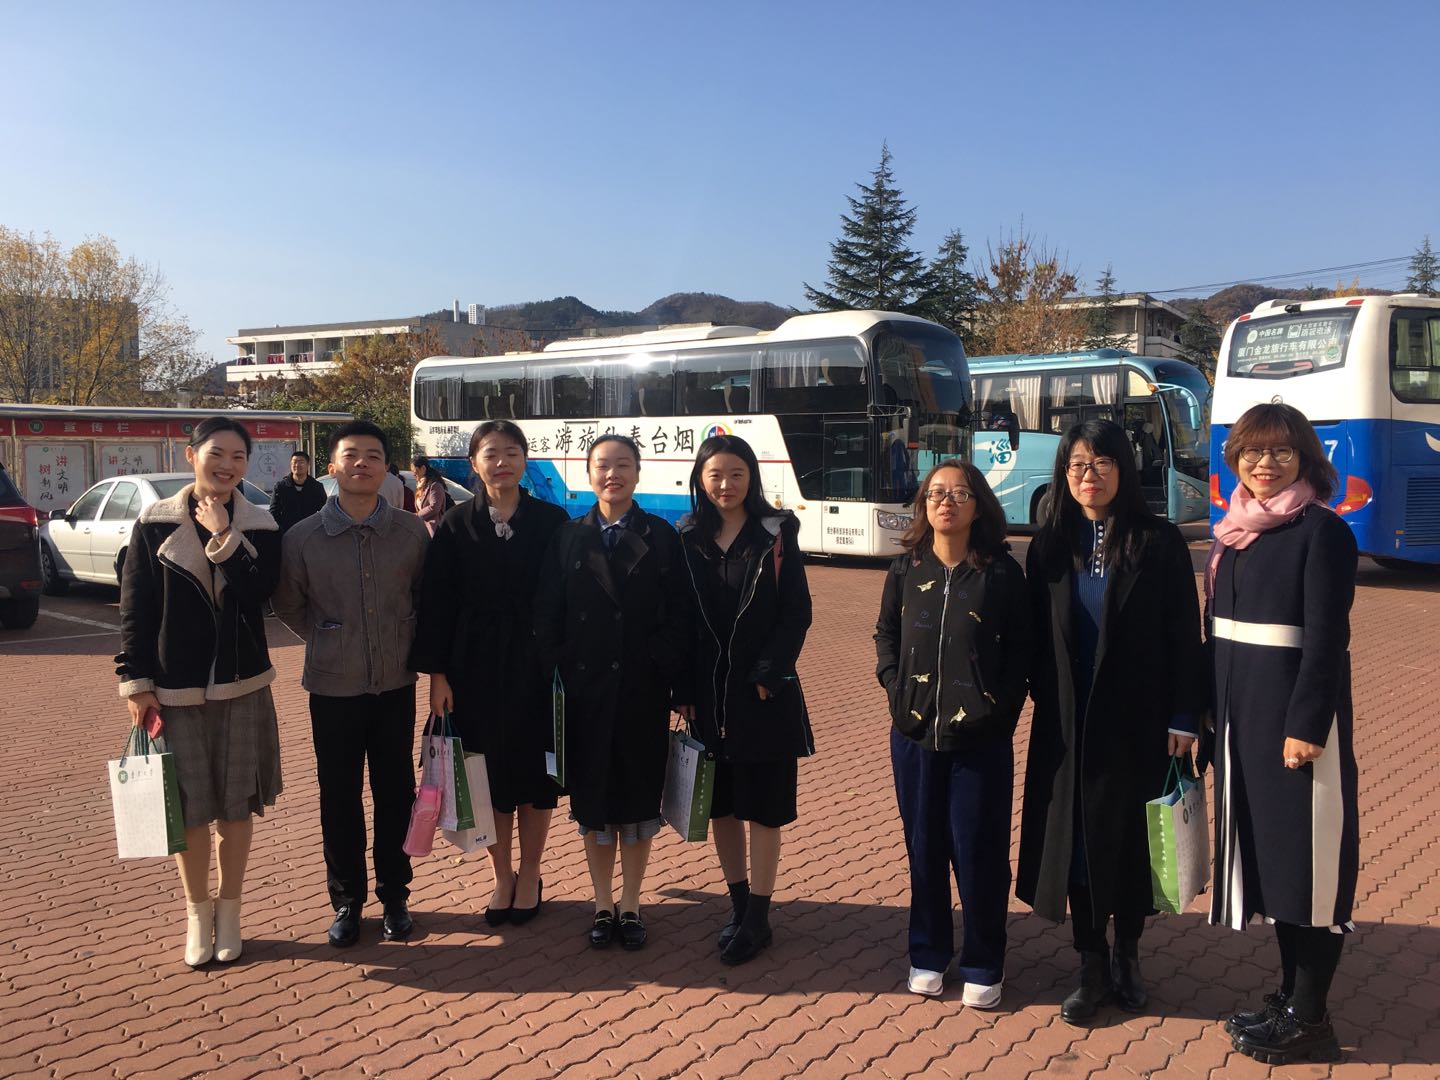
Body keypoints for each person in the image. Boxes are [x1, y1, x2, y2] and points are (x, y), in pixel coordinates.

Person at [1017, 418, 1205, 1025]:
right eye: (1077, 465)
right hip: (1069, 726)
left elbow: (1185, 634)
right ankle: (1090, 963)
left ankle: (1128, 954)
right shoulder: (1049, 545)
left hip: (1139, 722)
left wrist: (1185, 714)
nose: (1088, 475)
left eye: (1101, 463)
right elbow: (1031, 639)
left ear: (1123, 468)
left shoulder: (1159, 542)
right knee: (1077, 848)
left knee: (1131, 843)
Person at [1205, 403, 1358, 1065]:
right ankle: (1291, 996)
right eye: (1252, 452)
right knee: (1276, 869)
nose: (1265, 464)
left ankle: (1312, 1017)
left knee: (1312, 871)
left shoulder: (1322, 531)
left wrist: (1306, 727)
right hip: (1242, 728)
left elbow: (1326, 643)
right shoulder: (1234, 531)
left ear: (1305, 459)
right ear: (1235, 459)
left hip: (1296, 733)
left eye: (1280, 452)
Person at [115, 416, 282, 967]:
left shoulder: (260, 524)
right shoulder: (153, 524)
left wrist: (224, 538)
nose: (227, 465)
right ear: (191, 455)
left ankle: (230, 909)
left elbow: (261, 594)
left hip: (241, 683)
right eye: (217, 453)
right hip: (174, 687)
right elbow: (136, 609)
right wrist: (136, 683)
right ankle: (196, 911)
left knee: (236, 805)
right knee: (188, 808)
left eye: (238, 456)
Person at [875, 460, 1033, 1005]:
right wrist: (895, 687)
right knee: (923, 847)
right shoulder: (906, 569)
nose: (947, 502)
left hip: (980, 741)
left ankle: (984, 960)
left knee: (979, 851)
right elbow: (886, 633)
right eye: (936, 493)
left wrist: (999, 713)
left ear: (978, 505)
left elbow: (1022, 651)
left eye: (960, 493)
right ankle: (928, 951)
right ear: (924, 504)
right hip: (914, 734)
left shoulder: (1002, 574)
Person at [273, 420, 430, 948]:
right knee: (338, 796)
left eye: (373, 455)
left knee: (395, 793)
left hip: (395, 683)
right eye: (351, 454)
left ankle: (395, 895)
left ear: (387, 468)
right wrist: (330, 638)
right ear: (332, 467)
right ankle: (346, 901)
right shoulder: (303, 537)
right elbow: (289, 604)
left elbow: (423, 597)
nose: (362, 463)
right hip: (332, 687)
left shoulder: (410, 533)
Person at [533, 434, 693, 951]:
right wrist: (560, 670)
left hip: (642, 691)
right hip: (586, 694)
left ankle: (631, 903)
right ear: (588, 473)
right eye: (602, 465)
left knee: (638, 804)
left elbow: (680, 613)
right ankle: (602, 904)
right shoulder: (568, 536)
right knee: (595, 805)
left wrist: (660, 665)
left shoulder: (661, 536)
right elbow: (547, 613)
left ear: (638, 472)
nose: (612, 474)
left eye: (623, 464)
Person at [410, 421, 568, 926]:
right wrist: (438, 676)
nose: (502, 462)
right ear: (474, 463)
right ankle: (502, 874)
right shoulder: (456, 525)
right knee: (487, 777)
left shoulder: (552, 520)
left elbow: (567, 596)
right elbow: (437, 604)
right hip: (472, 668)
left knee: (536, 776)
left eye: (512, 453)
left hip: (536, 666)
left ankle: (532, 871)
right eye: (491, 454)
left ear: (525, 459)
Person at [677, 434, 813, 965]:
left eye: (736, 473)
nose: (726, 484)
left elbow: (796, 612)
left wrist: (770, 672)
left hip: (762, 694)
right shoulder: (688, 538)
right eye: (715, 475)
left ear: (751, 477)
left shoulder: (775, 534)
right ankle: (737, 905)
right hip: (709, 695)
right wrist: (682, 689)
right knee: (723, 807)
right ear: (700, 479)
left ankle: (758, 916)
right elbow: (680, 621)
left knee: (764, 808)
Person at [268, 449, 327, 534]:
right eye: (294, 462)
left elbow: (324, 511)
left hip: (310, 533)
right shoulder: (281, 487)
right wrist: (281, 530)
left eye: (301, 462)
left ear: (308, 465)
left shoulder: (316, 487)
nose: (297, 465)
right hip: (286, 533)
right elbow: (273, 512)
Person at [411, 454, 447, 537]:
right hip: (422, 530)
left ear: (423, 468)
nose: (413, 474)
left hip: (434, 530)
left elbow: (434, 507)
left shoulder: (435, 485)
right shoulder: (420, 486)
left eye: (415, 470)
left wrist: (416, 516)